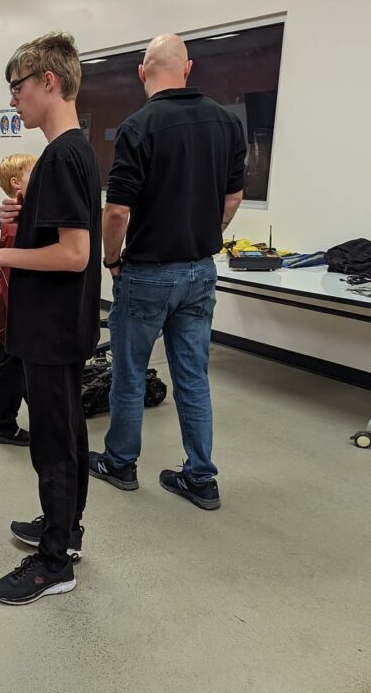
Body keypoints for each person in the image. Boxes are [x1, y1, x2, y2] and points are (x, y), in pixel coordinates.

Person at [0, 33, 102, 604]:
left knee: (53, 441)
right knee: (67, 433)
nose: (13, 99)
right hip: (54, 324)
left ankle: (54, 564)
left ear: (49, 81)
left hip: (53, 328)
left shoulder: (65, 154)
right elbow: (59, 234)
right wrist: (18, 219)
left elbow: (75, 254)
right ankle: (62, 531)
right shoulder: (63, 155)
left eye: (17, 87)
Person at [88, 34, 246, 511]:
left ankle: (120, 462)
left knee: (131, 372)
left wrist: (111, 259)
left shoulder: (139, 126)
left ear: (142, 71)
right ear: (188, 68)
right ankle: (201, 477)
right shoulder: (226, 122)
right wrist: (206, 231)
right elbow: (233, 197)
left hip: (148, 273)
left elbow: (116, 212)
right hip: (201, 272)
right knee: (193, 376)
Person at [0, 153, 36, 448]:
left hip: (11, 305)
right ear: (17, 183)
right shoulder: (19, 224)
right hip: (13, 306)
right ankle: (3, 424)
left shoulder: (22, 217)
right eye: (35, 174)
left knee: (19, 366)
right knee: (13, 367)